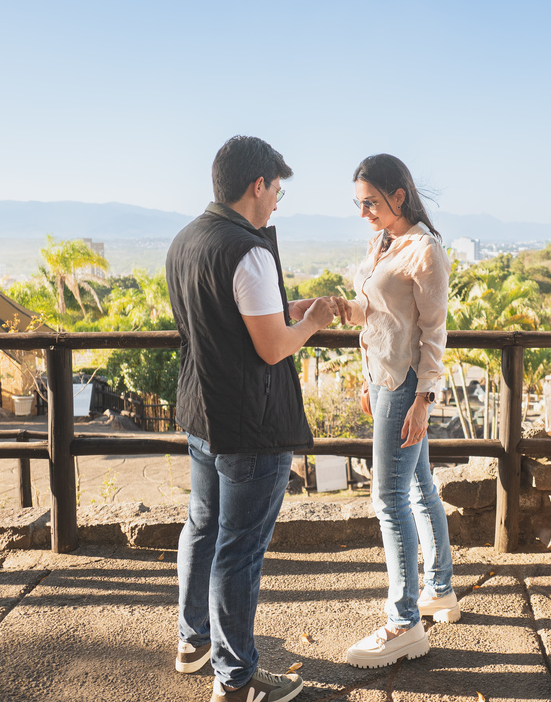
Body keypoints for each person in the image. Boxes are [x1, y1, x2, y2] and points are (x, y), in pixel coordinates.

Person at [166, 135, 336, 702]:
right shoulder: (250, 251)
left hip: (200, 413)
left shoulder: (185, 241)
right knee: (239, 550)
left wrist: (290, 310)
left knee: (202, 527)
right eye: (277, 189)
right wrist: (312, 321)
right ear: (256, 185)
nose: (278, 201)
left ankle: (193, 643)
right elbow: (271, 348)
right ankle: (235, 680)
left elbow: (228, 316)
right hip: (250, 426)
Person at [334, 154, 458, 669]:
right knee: (419, 486)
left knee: (389, 500)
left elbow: (433, 332)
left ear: (398, 195)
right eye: (359, 203)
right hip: (385, 380)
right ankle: (439, 589)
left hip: (407, 385)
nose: (364, 211)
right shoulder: (383, 242)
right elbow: (382, 316)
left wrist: (422, 402)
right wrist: (345, 312)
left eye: (371, 202)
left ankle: (404, 623)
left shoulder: (424, 249)